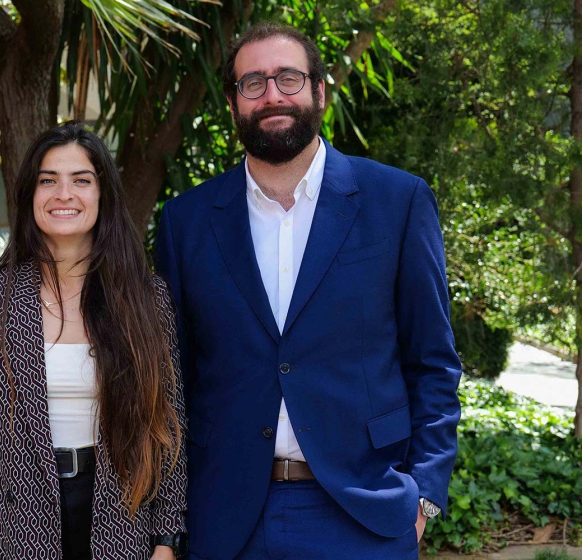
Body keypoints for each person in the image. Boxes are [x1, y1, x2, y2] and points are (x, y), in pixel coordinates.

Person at [154, 22, 462, 560]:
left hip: (363, 513)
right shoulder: (188, 221)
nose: (272, 95)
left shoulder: (397, 201)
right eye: (253, 83)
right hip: (227, 519)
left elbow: (433, 362)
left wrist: (426, 499)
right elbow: (171, 380)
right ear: (233, 104)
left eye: (288, 78)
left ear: (319, 90)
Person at [0, 122, 188, 560]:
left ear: (103, 195)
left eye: (81, 180)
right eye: (47, 181)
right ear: (30, 195)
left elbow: (167, 427)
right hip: (17, 527)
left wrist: (167, 541)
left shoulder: (146, 298)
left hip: (120, 521)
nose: (64, 194)